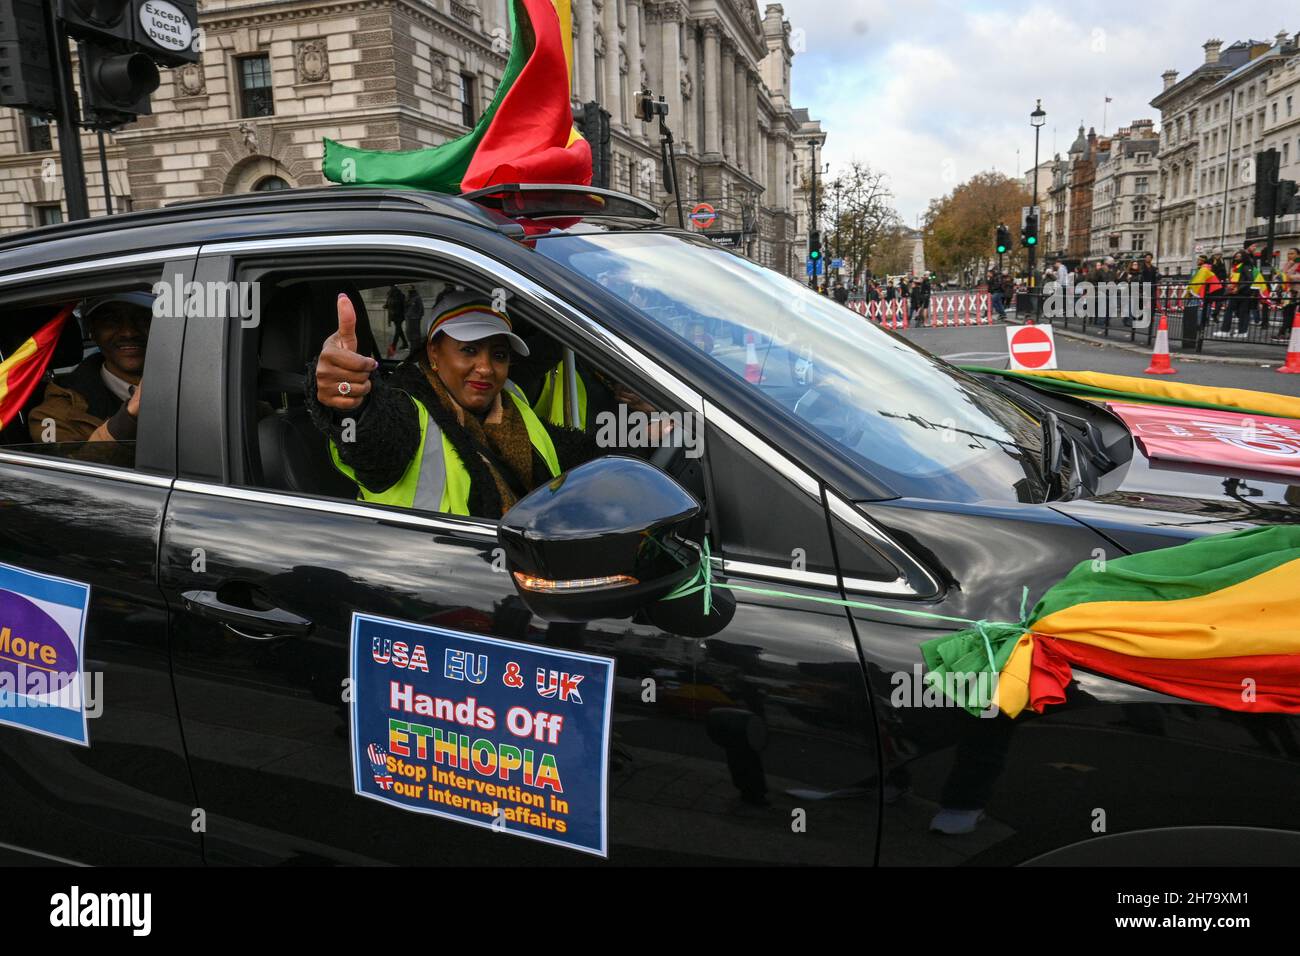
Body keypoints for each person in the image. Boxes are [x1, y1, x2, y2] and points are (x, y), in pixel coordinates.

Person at [308, 290, 597, 519]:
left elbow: (574, 455)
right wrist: (351, 402)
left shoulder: (512, 402)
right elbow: (373, 436)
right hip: (431, 578)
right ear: (434, 352)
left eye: (498, 355)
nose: (485, 368)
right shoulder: (408, 412)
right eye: (469, 350)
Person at [29, 292, 152, 445]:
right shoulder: (55, 414)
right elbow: (70, 465)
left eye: (143, 319)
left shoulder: (186, 380)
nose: (129, 332)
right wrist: (127, 418)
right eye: (111, 320)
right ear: (91, 331)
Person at [384, 285, 408, 357]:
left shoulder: (398, 295)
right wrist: (386, 306)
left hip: (398, 316)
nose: (391, 289)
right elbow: (388, 304)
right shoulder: (391, 295)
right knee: (399, 330)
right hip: (394, 316)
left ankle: (394, 345)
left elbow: (402, 305)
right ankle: (405, 344)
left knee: (397, 330)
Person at [402, 285, 424, 356]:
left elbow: (421, 309)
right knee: (409, 334)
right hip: (408, 318)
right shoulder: (408, 297)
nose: (408, 289)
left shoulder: (417, 297)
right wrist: (406, 314)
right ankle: (413, 349)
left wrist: (417, 317)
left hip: (414, 319)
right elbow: (405, 306)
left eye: (410, 287)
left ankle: (415, 350)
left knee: (415, 335)